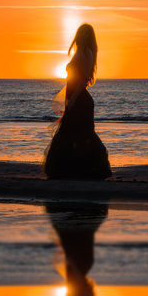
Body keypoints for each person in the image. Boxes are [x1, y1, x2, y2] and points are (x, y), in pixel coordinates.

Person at [44, 23, 112, 180]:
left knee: (83, 134)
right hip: (74, 98)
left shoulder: (87, 52)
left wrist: (73, 98)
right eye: (81, 33)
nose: (83, 36)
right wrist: (69, 98)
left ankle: (92, 169)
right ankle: (68, 171)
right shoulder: (78, 52)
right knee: (71, 134)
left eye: (86, 34)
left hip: (81, 100)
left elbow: (84, 79)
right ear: (78, 35)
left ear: (90, 37)